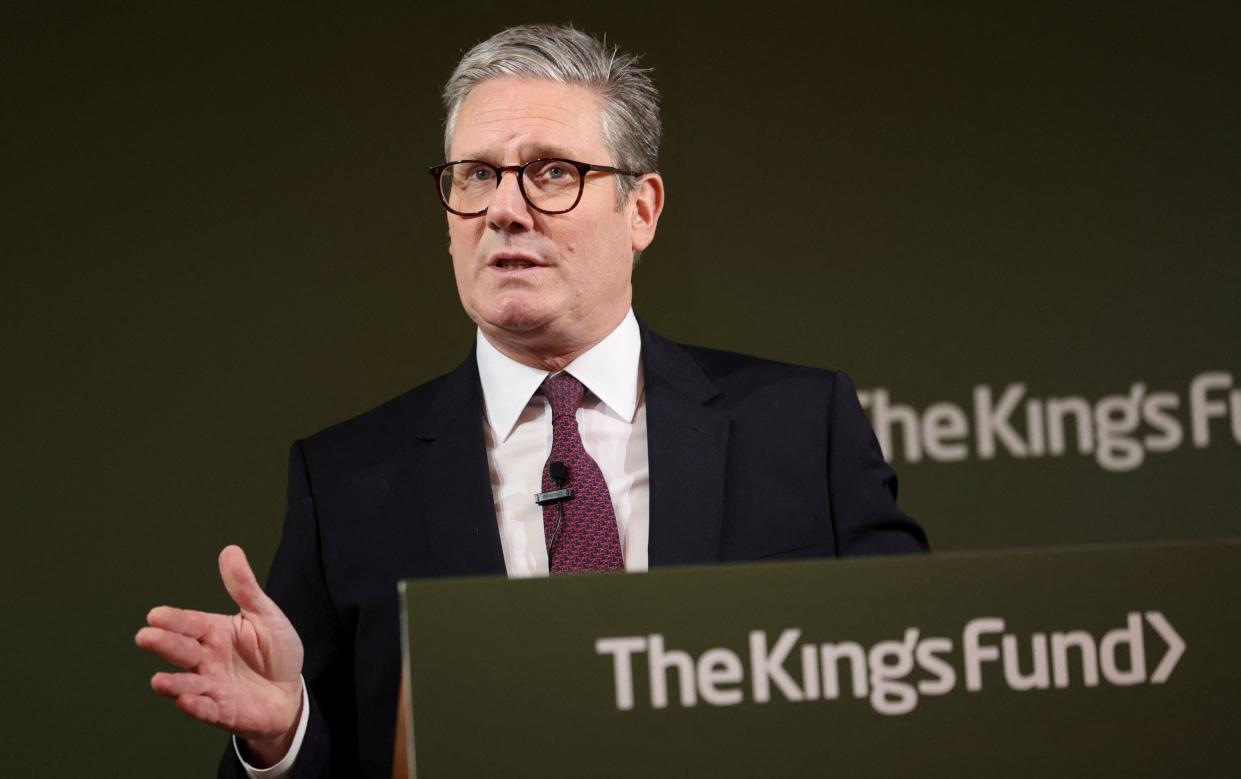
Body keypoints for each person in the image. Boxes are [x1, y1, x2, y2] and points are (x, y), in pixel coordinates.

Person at [136, 24, 928, 778]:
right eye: (476, 174)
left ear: (641, 209)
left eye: (552, 171)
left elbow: (918, 693)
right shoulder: (343, 481)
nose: (503, 209)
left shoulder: (800, 427)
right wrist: (281, 733)